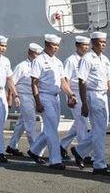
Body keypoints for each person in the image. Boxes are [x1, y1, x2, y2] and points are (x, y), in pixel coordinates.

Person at [28, 33, 78, 169]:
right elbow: (34, 83)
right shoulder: (38, 61)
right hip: (44, 96)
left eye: (57, 45)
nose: (56, 48)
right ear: (46, 45)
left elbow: (63, 82)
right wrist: (37, 101)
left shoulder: (58, 62)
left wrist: (71, 94)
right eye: (53, 45)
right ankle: (55, 160)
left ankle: (34, 150)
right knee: (52, 131)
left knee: (51, 128)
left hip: (56, 97)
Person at [77, 31, 110, 175]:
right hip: (93, 95)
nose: (103, 45)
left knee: (101, 129)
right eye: (100, 42)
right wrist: (84, 103)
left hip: (103, 96)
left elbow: (109, 80)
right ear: (93, 43)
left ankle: (79, 150)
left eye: (104, 42)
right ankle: (99, 165)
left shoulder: (105, 60)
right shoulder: (87, 59)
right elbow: (82, 81)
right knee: (99, 131)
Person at [60, 36, 92, 165]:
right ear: (77, 46)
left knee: (79, 123)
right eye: (84, 45)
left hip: (85, 93)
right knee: (82, 123)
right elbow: (65, 79)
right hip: (74, 93)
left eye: (87, 45)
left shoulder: (87, 59)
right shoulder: (71, 60)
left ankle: (62, 145)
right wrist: (70, 96)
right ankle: (84, 154)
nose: (86, 48)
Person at [7, 43, 43, 156]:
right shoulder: (21, 66)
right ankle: (35, 150)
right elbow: (11, 82)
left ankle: (12, 146)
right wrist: (12, 97)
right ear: (30, 53)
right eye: (36, 54)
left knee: (22, 123)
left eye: (39, 54)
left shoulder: (39, 66)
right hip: (24, 96)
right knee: (30, 122)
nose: (38, 56)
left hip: (34, 96)